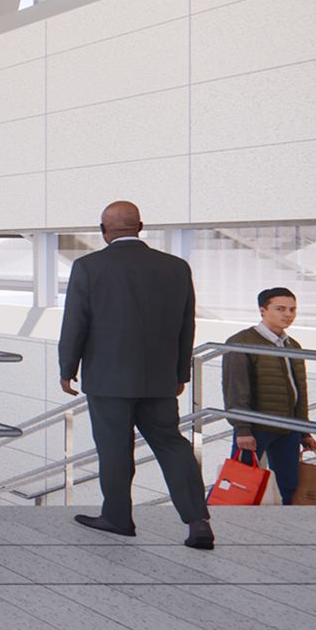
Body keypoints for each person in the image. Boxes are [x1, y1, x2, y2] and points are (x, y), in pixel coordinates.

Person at [59, 200, 213, 549]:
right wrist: (180, 374)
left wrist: (68, 368)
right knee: (173, 446)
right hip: (159, 379)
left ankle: (117, 517)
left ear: (104, 231)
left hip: (108, 378)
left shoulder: (88, 266)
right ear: (140, 227)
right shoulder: (176, 267)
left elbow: (75, 322)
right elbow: (186, 325)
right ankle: (198, 521)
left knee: (114, 449)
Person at [222, 287, 316, 505]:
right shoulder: (241, 342)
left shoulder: (293, 345)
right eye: (280, 309)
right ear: (263, 310)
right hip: (256, 427)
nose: (288, 314)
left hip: (288, 427)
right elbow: (235, 389)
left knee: (289, 485)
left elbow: (300, 391)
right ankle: (227, 525)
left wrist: (304, 431)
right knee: (240, 482)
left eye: (292, 309)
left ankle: (284, 529)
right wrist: (243, 429)